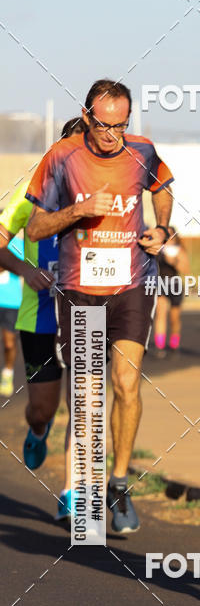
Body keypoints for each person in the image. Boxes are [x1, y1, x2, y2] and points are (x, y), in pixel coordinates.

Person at [26, 79, 174, 532]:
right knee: (88, 396)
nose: (113, 135)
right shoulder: (61, 158)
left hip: (131, 281)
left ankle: (120, 483)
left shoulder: (143, 150)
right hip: (79, 288)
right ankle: (84, 495)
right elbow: (34, 228)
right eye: (105, 125)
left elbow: (164, 186)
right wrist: (77, 211)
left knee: (127, 383)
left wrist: (164, 228)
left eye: (122, 125)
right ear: (87, 115)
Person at [0, 118, 84, 471]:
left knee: (83, 406)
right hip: (39, 315)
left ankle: (75, 493)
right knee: (42, 409)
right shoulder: (32, 191)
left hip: (84, 310)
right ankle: (38, 429)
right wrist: (26, 271)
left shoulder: (102, 194)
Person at [153, 227, 190, 356]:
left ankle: (174, 344)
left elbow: (185, 270)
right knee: (160, 313)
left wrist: (173, 261)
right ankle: (160, 346)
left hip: (174, 284)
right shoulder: (157, 248)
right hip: (160, 283)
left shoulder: (179, 250)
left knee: (174, 317)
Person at [0, 232, 23, 397]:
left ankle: (8, 372)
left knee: (9, 344)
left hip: (11, 301)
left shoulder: (17, 243)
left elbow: (23, 267)